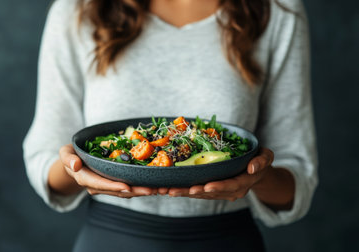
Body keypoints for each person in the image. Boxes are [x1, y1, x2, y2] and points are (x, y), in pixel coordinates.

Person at [23, 0, 318, 251]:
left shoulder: (276, 11)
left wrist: (257, 176)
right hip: (111, 238)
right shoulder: (78, 10)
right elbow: (44, 158)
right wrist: (79, 167)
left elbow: (296, 179)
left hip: (225, 239)